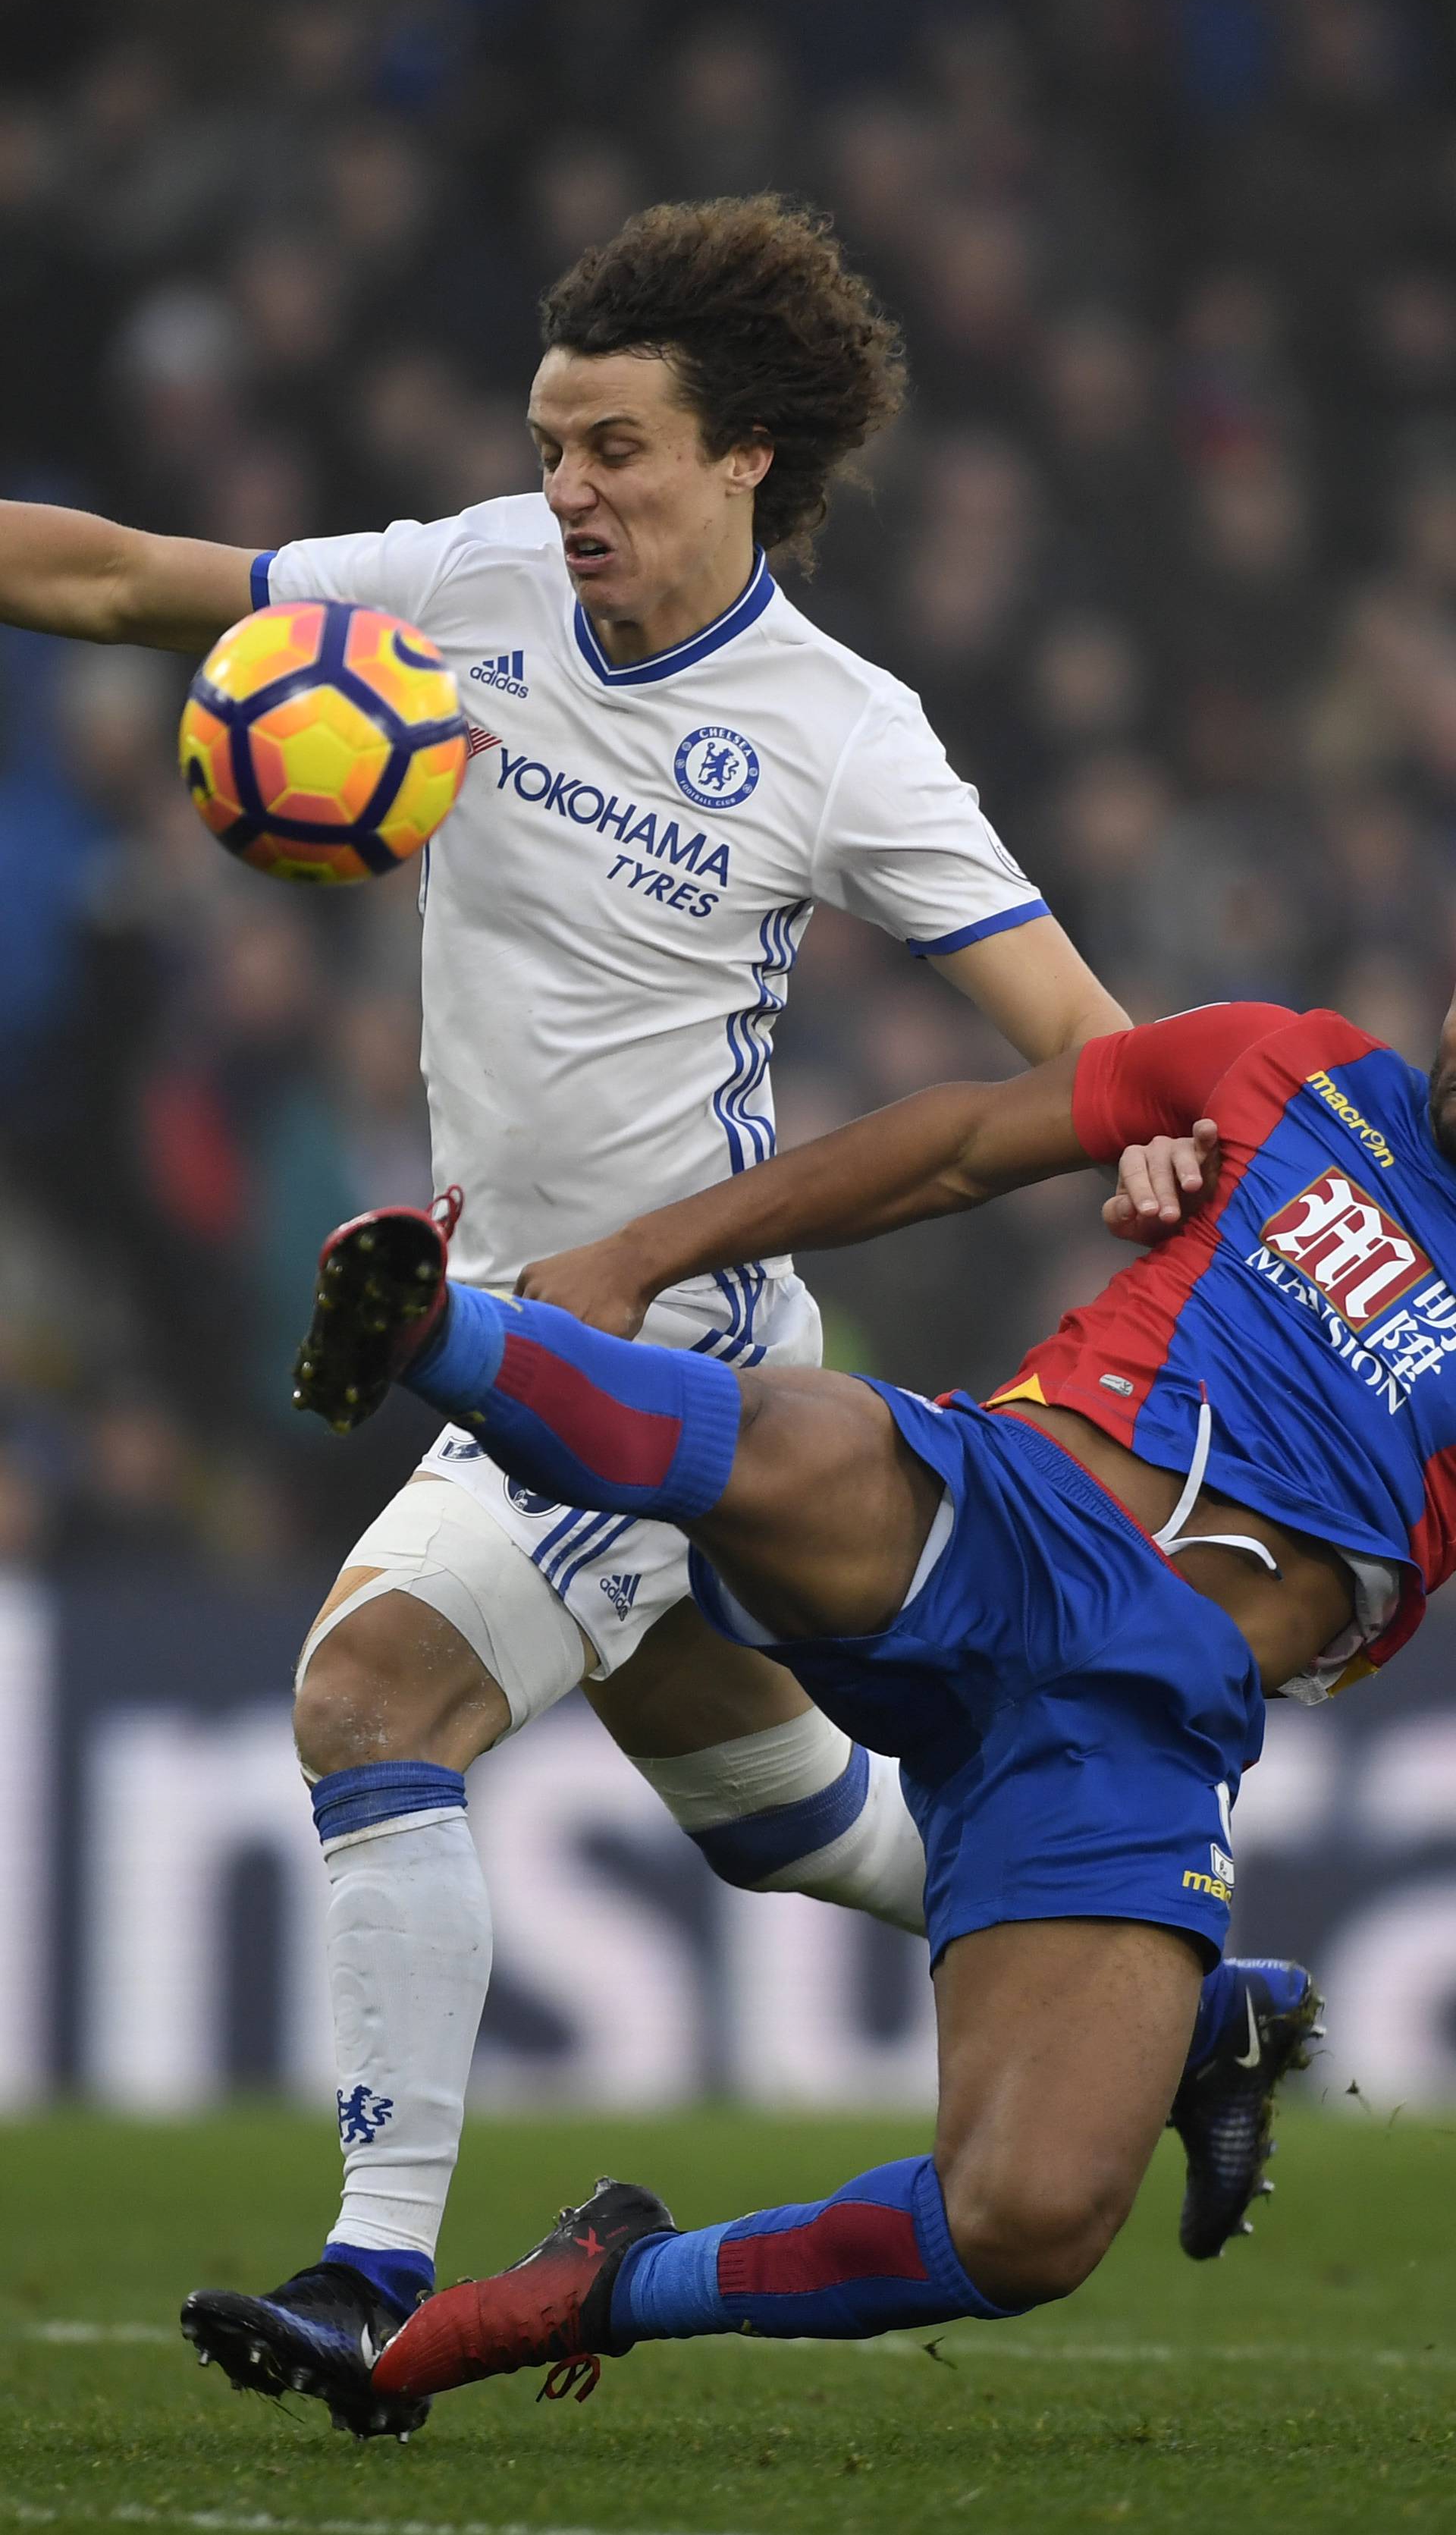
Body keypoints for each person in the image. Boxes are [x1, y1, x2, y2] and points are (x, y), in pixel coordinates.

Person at [0, 193, 1299, 2437]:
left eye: (614, 448)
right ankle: (1200, 2014)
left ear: (747, 460)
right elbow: (127, 578)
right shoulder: (471, 583)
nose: (569, 489)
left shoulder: (842, 732)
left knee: (366, 1690)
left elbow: (1074, 1022)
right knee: (769, 1823)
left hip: (658, 1361)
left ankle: (365, 2274)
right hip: (492, 1315)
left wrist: (1155, 1130)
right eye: (551, 441)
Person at [281, 985, 1432, 2406]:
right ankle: (430, 1332)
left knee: (1030, 2221)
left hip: (1145, 1721)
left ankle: (607, 2278)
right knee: (775, 1453)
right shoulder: (1293, 1065)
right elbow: (956, 1141)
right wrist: (647, 1251)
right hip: (1019, 1512)